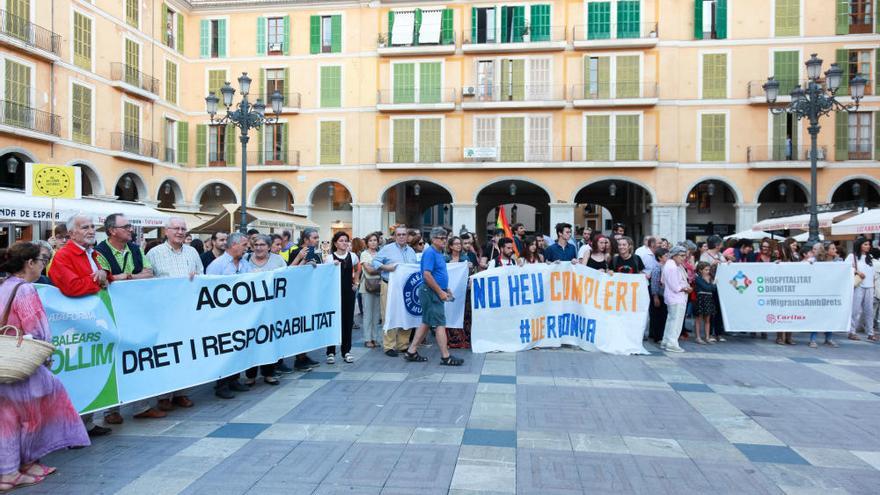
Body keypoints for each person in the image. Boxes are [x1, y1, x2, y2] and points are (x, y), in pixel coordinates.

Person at [0, 243, 90, 491]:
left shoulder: (3, 285)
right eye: (42, 260)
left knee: (7, 418)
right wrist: (46, 352)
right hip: (23, 361)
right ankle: (17, 468)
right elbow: (38, 329)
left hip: (5, 361)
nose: (44, 265)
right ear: (29, 263)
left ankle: (15, 468)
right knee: (35, 411)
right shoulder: (25, 289)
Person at [94, 214, 165, 424]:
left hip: (135, 311)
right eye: (126, 226)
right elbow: (104, 279)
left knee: (138, 356)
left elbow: (150, 272)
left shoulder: (135, 249)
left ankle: (141, 405)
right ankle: (110, 410)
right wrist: (117, 277)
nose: (131, 229)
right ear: (112, 231)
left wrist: (128, 277)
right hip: (110, 313)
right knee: (112, 358)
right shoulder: (100, 251)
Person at [48, 214, 113, 438]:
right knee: (75, 374)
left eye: (92, 226)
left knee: (89, 371)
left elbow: (106, 275)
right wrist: (98, 281)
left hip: (90, 321)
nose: (91, 230)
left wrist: (105, 275)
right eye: (84, 227)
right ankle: (71, 429)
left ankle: (86, 423)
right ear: (71, 233)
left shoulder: (92, 253)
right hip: (73, 324)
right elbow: (72, 286)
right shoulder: (64, 255)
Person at [146, 217, 203, 410]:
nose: (180, 232)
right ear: (166, 231)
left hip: (187, 311)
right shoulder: (154, 253)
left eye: (183, 228)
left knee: (186, 352)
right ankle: (163, 396)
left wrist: (198, 279)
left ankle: (182, 393)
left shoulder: (193, 252)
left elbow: (203, 277)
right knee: (167, 353)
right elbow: (148, 281)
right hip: (164, 313)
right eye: (176, 228)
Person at [403, 227, 463, 366]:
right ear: (433, 239)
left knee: (426, 322)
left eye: (445, 238)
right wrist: (440, 292)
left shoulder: (438, 252)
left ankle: (411, 351)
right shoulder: (430, 253)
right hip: (431, 292)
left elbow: (438, 273)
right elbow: (427, 275)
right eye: (441, 238)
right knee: (440, 323)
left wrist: (446, 289)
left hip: (435, 291)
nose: (444, 240)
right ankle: (445, 356)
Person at [206, 232, 253, 398]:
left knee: (239, 346)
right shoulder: (217, 265)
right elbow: (208, 288)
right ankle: (222, 384)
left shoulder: (244, 264)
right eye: (244, 245)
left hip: (240, 314)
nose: (247, 248)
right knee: (225, 349)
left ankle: (234, 379)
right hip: (223, 315)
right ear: (234, 245)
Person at [241, 234, 285, 386]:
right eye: (256, 245)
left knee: (269, 340)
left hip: (271, 308)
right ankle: (251, 375)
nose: (259, 248)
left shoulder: (278, 260)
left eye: (262, 245)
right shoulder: (245, 259)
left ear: (268, 246)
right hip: (250, 309)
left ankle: (269, 373)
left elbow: (287, 278)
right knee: (251, 341)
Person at [373, 225, 418, 356]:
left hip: (406, 288)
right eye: (399, 235)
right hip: (389, 285)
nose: (402, 237)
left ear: (407, 236)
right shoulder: (387, 249)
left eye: (404, 234)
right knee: (389, 314)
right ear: (394, 236)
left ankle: (403, 344)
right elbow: (374, 262)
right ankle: (389, 346)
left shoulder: (411, 251)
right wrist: (386, 267)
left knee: (406, 314)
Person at [287, 228, 324, 371]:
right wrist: (303, 262)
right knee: (299, 326)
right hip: (297, 295)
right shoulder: (296, 251)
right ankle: (299, 358)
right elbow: (290, 272)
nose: (317, 240)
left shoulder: (316, 252)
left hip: (309, 294)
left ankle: (303, 355)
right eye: (314, 237)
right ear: (306, 240)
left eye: (317, 237)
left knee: (307, 325)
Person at [324, 231, 359, 364]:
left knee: (347, 322)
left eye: (346, 240)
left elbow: (357, 268)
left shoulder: (353, 256)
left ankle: (346, 351)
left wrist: (356, 282)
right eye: (341, 240)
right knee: (333, 321)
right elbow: (324, 276)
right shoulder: (329, 258)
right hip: (333, 294)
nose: (344, 243)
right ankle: (331, 352)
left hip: (348, 293)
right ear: (335, 243)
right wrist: (331, 267)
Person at [661, 245, 691, 352]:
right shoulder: (672, 267)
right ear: (674, 256)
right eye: (681, 255)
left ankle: (666, 341)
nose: (684, 258)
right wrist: (686, 289)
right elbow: (675, 287)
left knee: (671, 320)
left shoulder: (672, 264)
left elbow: (664, 281)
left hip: (673, 297)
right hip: (676, 298)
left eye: (684, 256)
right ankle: (672, 343)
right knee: (676, 322)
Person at [847, 237, 877, 341]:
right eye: (865, 244)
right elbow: (845, 268)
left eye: (868, 244)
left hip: (870, 287)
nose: (868, 246)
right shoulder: (852, 256)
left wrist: (873, 285)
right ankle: (852, 331)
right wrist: (856, 271)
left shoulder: (871, 257)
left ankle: (870, 332)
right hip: (858, 286)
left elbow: (872, 274)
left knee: (869, 311)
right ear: (859, 245)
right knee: (855, 310)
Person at [359, 232, 382, 349]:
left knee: (376, 314)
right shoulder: (364, 254)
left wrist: (377, 268)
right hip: (367, 286)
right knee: (368, 314)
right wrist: (382, 268)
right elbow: (369, 270)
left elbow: (375, 269)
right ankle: (368, 339)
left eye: (375, 240)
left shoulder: (380, 254)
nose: (373, 242)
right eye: (371, 240)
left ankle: (375, 338)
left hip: (378, 286)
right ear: (367, 243)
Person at [648, 247, 669, 343]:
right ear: (660, 257)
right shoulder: (657, 268)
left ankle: (661, 335)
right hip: (659, 295)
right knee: (658, 316)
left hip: (665, 295)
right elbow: (654, 283)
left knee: (664, 316)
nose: (668, 257)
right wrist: (655, 296)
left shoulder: (666, 267)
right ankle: (658, 336)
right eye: (666, 256)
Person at [694, 261, 717, 344]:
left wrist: (712, 285)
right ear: (700, 270)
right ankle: (698, 337)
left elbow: (713, 289)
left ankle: (707, 337)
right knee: (698, 319)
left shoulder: (710, 277)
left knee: (707, 319)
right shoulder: (698, 278)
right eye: (706, 270)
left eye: (708, 270)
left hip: (709, 298)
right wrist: (712, 285)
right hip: (701, 298)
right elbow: (707, 287)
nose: (708, 271)